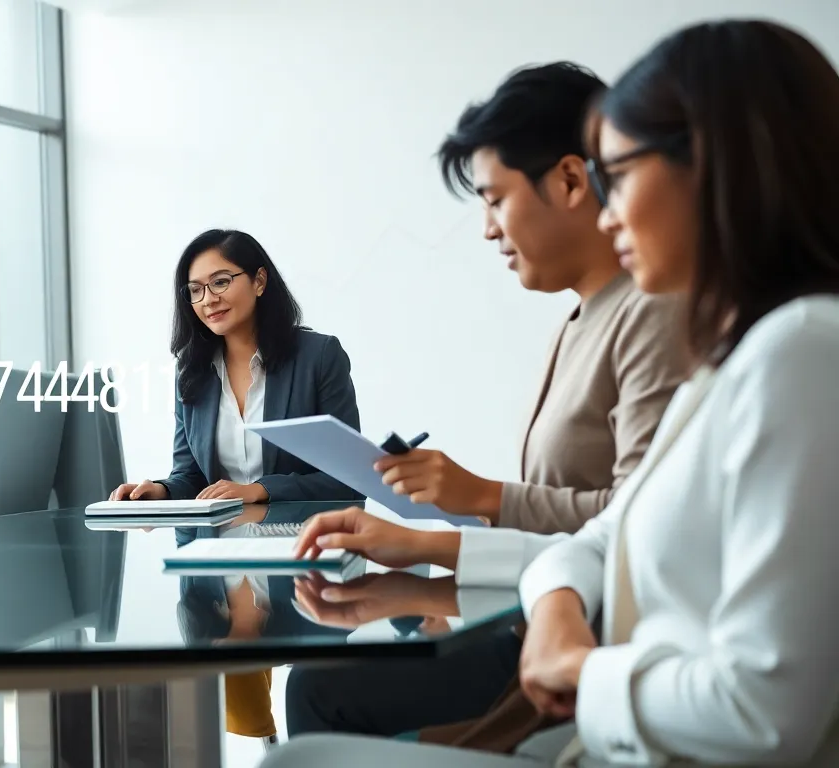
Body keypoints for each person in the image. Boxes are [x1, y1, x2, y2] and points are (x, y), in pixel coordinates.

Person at [273, 18, 839, 767]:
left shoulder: (798, 350)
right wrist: (552, 601)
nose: (609, 211)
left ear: (716, 167)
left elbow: (764, 712)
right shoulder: (736, 353)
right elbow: (609, 534)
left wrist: (580, 668)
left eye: (622, 175)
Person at [284, 62, 689, 747]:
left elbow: (632, 524)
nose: (488, 229)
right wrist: (439, 535)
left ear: (567, 180)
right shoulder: (583, 317)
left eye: (496, 199)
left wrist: (474, 508)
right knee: (326, 671)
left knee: (320, 685)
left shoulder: (650, 314)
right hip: (544, 614)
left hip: (574, 641)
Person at [110, 229, 361, 504]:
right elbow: (192, 476)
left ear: (259, 281)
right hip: (216, 544)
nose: (208, 299)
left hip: (300, 539)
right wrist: (162, 491)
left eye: (220, 282)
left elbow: (350, 479)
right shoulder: (191, 371)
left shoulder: (319, 357)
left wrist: (261, 489)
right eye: (195, 290)